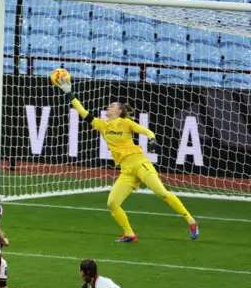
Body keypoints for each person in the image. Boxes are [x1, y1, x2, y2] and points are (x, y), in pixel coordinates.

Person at [56, 76, 199, 242]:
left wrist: (152, 141)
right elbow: (83, 112)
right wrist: (69, 93)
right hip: (126, 171)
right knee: (112, 204)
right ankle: (130, 233)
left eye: (113, 105)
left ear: (118, 111)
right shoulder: (101, 125)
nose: (109, 106)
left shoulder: (126, 123)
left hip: (139, 163)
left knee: (162, 193)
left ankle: (191, 221)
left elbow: (147, 132)